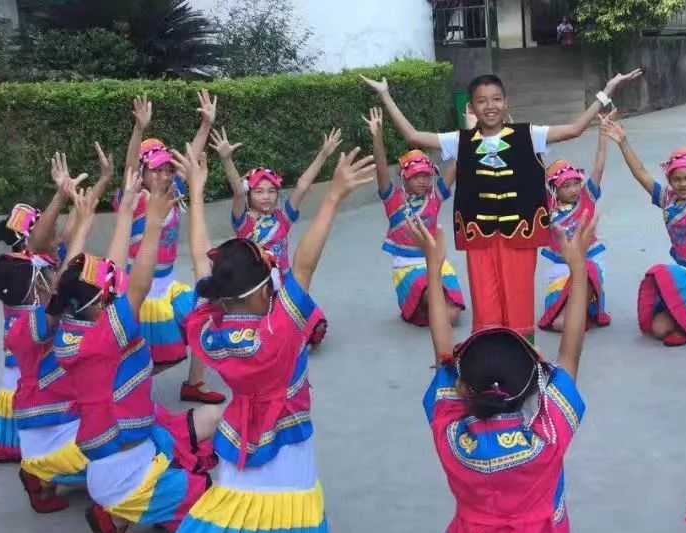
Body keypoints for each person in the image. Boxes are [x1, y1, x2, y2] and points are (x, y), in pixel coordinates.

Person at [130, 146, 376, 533]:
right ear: (264, 290)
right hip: (287, 435)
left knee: (235, 507)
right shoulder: (279, 331)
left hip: (239, 430)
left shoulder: (207, 327)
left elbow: (201, 261)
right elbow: (305, 264)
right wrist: (333, 197)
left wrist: (197, 194)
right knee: (294, 515)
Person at [362, 68, 642, 341]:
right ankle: (490, 359)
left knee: (518, 302)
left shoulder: (529, 134)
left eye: (496, 99)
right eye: (482, 101)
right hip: (478, 238)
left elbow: (575, 128)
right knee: (485, 305)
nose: (490, 106)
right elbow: (413, 136)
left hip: (520, 236)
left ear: (506, 103)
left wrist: (607, 91)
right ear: (472, 107)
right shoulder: (460, 140)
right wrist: (385, 95)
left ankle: (523, 359)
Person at [413, 206, 596, 533]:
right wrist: (578, 268)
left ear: (463, 389)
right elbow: (571, 354)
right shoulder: (545, 437)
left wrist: (434, 267)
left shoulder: (452, 435)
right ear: (534, 387)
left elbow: (442, 353)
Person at [51, 166, 218, 533]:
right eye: (109, 283)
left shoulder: (74, 325)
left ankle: (131, 511)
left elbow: (77, 280)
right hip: (126, 476)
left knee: (209, 424)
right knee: (217, 505)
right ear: (101, 301)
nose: (115, 280)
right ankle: (118, 515)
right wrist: (154, 223)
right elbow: (139, 283)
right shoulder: (110, 333)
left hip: (127, 447)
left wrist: (118, 213)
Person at [0, 179, 103, 514]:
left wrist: (80, 209)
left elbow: (62, 248)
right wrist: (70, 205)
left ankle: (42, 470)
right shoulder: (30, 290)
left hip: (38, 380)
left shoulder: (25, 276)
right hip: (38, 381)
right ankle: (45, 471)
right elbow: (62, 271)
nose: (51, 276)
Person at [119, 92, 226, 405]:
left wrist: (206, 124)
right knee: (143, 355)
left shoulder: (174, 190)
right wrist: (138, 129)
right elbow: (129, 167)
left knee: (206, 316)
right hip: (140, 289)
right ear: (141, 173)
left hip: (168, 286)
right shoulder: (134, 199)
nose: (164, 175)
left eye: (167, 169)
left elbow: (190, 159)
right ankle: (122, 392)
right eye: (156, 170)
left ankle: (194, 383)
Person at [601, 116, 686, 346]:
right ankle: (683, 325)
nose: (683, 184)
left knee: (664, 278)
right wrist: (623, 142)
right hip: (682, 276)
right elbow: (641, 173)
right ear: (669, 180)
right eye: (677, 179)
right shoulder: (666, 199)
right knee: (658, 329)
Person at [363, 106, 466, 326]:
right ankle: (417, 305)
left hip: (436, 261)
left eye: (426, 176)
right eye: (416, 176)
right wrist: (377, 137)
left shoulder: (435, 196)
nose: (422, 181)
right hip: (407, 266)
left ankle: (424, 310)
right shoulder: (393, 199)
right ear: (405, 178)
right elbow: (382, 171)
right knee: (434, 301)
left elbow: (456, 166)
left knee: (453, 315)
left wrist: (470, 132)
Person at [210, 125, 342, 274]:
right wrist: (227, 159)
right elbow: (239, 192)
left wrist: (323, 154)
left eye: (271, 191)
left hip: (284, 282)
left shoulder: (282, 218)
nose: (266, 196)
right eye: (259, 192)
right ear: (249, 194)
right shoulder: (243, 222)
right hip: (255, 284)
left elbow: (302, 186)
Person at [538, 115, 611, 332]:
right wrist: (531, 146)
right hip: (561, 265)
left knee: (588, 271)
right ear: (555, 189)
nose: (573, 189)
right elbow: (536, 173)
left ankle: (581, 314)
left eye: (575, 183)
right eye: (566, 186)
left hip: (588, 259)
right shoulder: (548, 204)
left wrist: (603, 135)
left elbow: (599, 167)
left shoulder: (587, 196)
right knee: (559, 321)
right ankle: (570, 315)